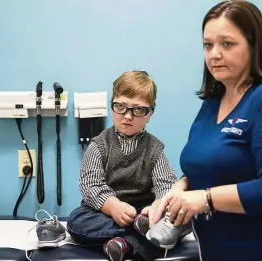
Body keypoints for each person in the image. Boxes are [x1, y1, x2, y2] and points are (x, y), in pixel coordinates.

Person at [151, 1, 262, 261]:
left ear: (253, 46)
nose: (214, 54)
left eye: (227, 44)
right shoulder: (211, 104)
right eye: (208, 45)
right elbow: (211, 167)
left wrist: (204, 199)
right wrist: (181, 187)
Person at [66, 70, 180, 261]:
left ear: (149, 114)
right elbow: (91, 185)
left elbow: (165, 184)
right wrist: (113, 207)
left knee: (182, 220)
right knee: (76, 223)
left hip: (145, 210)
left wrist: (158, 206)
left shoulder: (155, 149)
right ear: (112, 107)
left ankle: (123, 244)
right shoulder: (98, 145)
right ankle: (139, 230)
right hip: (106, 212)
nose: (127, 116)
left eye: (138, 110)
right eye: (120, 106)